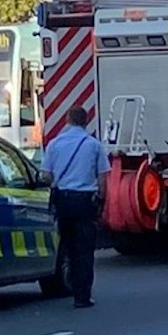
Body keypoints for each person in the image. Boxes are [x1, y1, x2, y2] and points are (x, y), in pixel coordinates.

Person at [42, 102, 110, 309]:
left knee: (69, 248)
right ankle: (83, 296)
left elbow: (46, 175)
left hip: (63, 201)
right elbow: (102, 180)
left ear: (67, 120)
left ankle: (71, 284)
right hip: (85, 202)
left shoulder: (54, 144)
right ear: (86, 121)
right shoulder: (94, 146)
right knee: (85, 250)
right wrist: (101, 203)